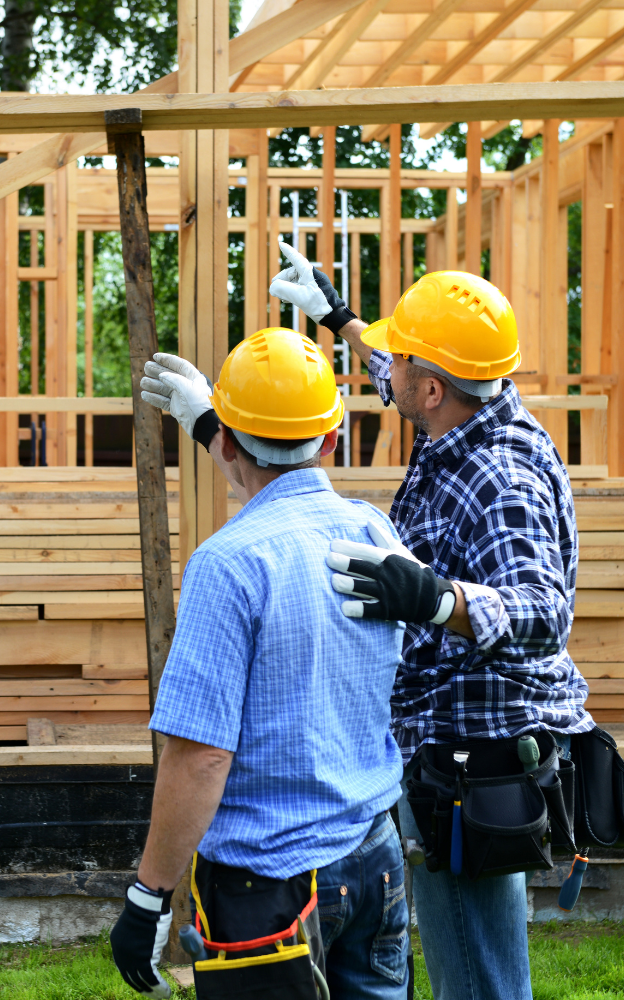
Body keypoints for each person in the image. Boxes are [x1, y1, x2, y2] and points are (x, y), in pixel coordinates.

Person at [265, 249, 593, 999]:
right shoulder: (461, 410)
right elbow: (397, 371)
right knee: (466, 955)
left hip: (474, 762)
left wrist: (440, 601)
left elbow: (546, 615)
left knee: (474, 972)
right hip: (448, 749)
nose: (392, 369)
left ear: (435, 387)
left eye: (405, 357)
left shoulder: (499, 478)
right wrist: (339, 315)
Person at [110, 328, 409, 1000]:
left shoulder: (228, 565)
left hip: (269, 887)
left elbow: (199, 758)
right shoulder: (373, 532)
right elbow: (284, 484)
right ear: (333, 439)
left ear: (229, 442)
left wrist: (148, 896)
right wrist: (208, 422)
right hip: (373, 856)